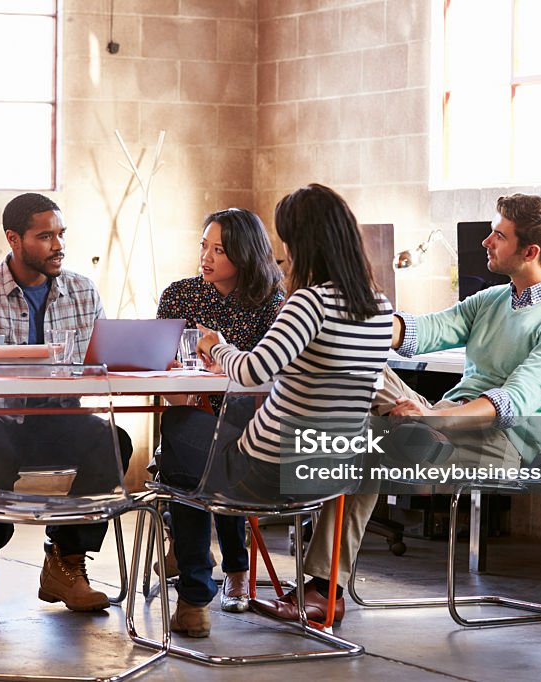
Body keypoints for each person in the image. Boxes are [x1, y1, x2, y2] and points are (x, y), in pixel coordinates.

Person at [253, 193, 541, 623]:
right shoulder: (493, 299)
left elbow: (512, 402)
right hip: (448, 420)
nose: (486, 241)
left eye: (498, 235)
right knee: (368, 368)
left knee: (363, 451)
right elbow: (428, 330)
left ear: (531, 251)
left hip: (506, 444)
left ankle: (325, 590)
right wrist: (356, 317)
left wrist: (431, 418)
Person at [158, 184, 393, 637]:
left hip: (267, 468)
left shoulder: (309, 301)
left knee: (181, 432)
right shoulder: (379, 308)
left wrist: (216, 345)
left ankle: (194, 593)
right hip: (330, 474)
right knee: (198, 448)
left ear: (304, 243)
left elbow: (251, 371)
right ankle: (219, 578)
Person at [0, 192, 132, 613]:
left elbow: (98, 361)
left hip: (56, 415)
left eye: (61, 234)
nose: (58, 245)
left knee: (114, 442)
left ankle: (66, 561)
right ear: (14, 239)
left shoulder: (82, 291)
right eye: (45, 236)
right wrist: (12, 367)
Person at [155, 208, 284, 614]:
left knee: (196, 449)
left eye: (220, 250)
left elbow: (270, 375)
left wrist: (226, 361)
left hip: (254, 427)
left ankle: (198, 591)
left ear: (245, 255)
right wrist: (177, 384)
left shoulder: (271, 304)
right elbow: (161, 365)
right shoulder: (180, 294)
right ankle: (232, 572)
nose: (206, 257)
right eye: (203, 246)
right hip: (195, 413)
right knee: (193, 438)